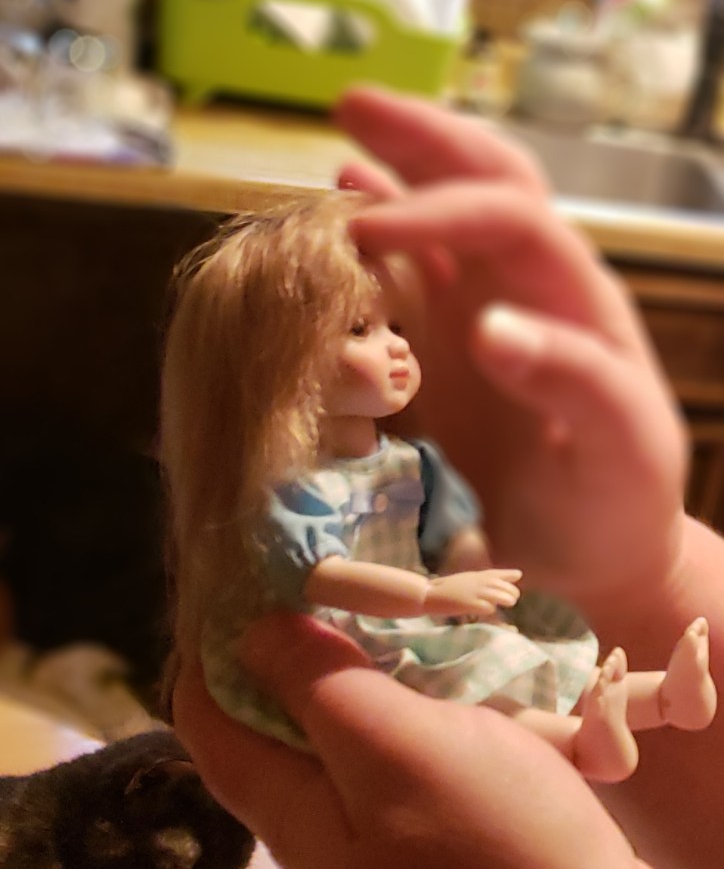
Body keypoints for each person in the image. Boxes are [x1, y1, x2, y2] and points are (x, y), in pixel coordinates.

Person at [172, 86, 724, 869]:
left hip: (416, 614)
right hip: (355, 630)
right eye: (360, 329)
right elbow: (321, 577)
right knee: (472, 684)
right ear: (278, 368)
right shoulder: (296, 490)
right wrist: (434, 597)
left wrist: (483, 571)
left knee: (516, 657)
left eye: (396, 325)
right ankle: (591, 732)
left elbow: (453, 533)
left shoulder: (409, 461)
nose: (397, 346)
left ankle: (658, 698)